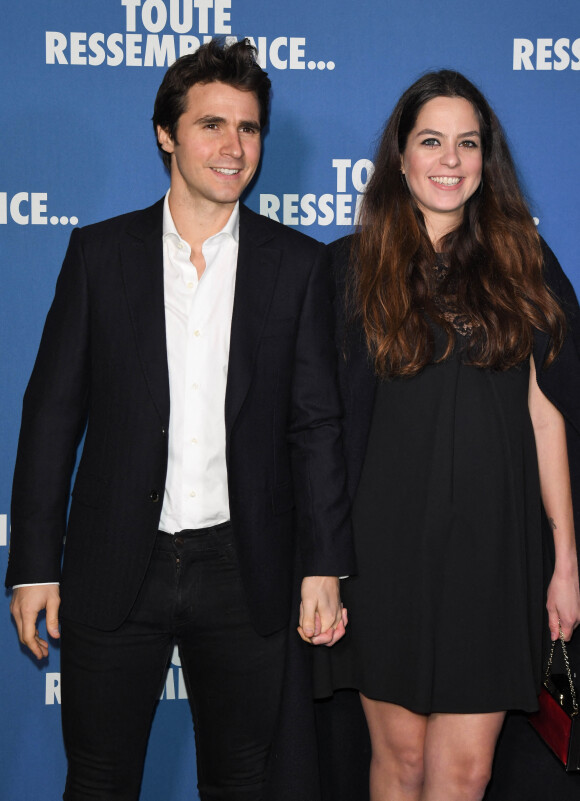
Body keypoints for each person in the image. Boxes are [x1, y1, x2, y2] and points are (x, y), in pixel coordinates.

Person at [6, 39, 355, 801]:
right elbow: (51, 414)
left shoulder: (297, 266)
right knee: (98, 780)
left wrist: (322, 564)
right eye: (212, 125)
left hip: (244, 568)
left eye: (251, 128)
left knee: (243, 781)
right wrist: (34, 562)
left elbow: (316, 425)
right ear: (167, 133)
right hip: (113, 564)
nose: (235, 147)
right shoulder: (100, 255)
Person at [315, 70, 580, 801]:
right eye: (432, 140)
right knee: (399, 764)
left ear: (485, 161)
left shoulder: (526, 265)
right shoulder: (347, 268)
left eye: (467, 143)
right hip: (382, 553)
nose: (450, 159)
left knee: (466, 773)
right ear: (401, 158)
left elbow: (547, 413)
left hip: (494, 556)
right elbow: (320, 429)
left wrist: (564, 556)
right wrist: (326, 566)